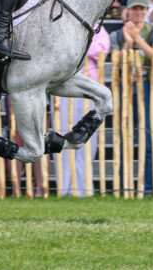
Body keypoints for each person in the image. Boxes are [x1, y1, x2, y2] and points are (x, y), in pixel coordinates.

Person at [110, 0, 153, 193]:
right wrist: (128, 43)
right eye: (135, 9)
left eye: (142, 9)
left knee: (147, 139)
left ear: (147, 11)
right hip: (125, 86)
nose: (138, 12)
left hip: (148, 86)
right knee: (124, 138)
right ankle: (125, 186)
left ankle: (147, 187)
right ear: (128, 11)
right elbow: (116, 60)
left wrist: (137, 38)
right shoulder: (117, 35)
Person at [56, 25, 108, 197]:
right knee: (62, 133)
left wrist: (81, 43)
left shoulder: (100, 30)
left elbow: (100, 51)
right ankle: (64, 188)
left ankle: (83, 188)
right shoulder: (65, 24)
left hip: (89, 90)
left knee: (87, 139)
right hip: (62, 88)